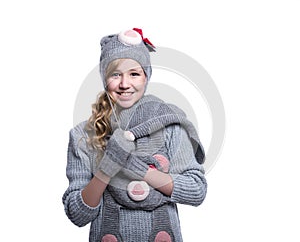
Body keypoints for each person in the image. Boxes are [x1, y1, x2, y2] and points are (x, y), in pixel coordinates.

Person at [62, 28, 207, 242]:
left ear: (146, 78)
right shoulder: (83, 135)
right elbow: (78, 214)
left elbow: (196, 190)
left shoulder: (169, 125)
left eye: (134, 74)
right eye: (115, 74)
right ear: (104, 78)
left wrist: (134, 167)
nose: (124, 84)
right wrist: (107, 168)